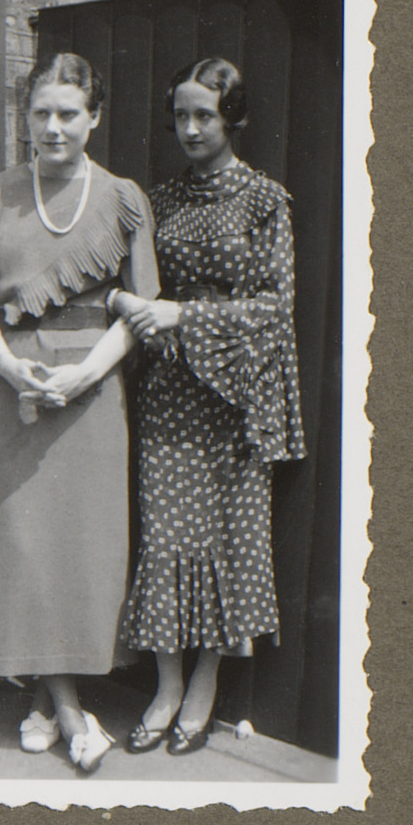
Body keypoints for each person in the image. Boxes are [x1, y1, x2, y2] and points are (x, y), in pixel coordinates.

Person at [0, 53, 160, 774]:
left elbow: (139, 311)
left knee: (76, 548)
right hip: (13, 388)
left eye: (68, 113)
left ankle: (45, 702)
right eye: (39, 112)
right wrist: (10, 367)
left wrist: (84, 374)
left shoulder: (123, 198)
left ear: (93, 117)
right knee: (23, 543)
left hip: (90, 389)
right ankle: (73, 716)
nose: (52, 127)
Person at [112, 57, 307, 756]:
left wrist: (183, 317)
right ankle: (166, 687)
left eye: (205, 115)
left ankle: (203, 685)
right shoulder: (158, 202)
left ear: (233, 117)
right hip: (167, 391)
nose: (191, 128)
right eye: (181, 115)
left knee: (227, 539)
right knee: (165, 538)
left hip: (233, 399)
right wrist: (138, 308)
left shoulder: (263, 201)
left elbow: (274, 308)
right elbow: (130, 283)